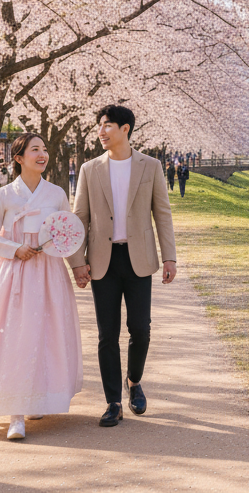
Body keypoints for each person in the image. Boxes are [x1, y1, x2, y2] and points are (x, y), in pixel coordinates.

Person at [0, 133, 82, 441]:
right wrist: (15, 248)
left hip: (48, 274)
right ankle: (15, 414)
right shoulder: (4, 196)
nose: (42, 154)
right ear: (19, 158)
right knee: (14, 336)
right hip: (12, 274)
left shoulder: (56, 194)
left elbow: (67, 234)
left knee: (44, 335)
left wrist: (78, 268)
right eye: (35, 149)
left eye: (44, 149)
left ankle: (37, 398)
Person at [67, 104, 178, 427]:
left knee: (141, 329)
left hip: (139, 258)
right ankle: (113, 401)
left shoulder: (150, 166)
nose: (100, 132)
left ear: (125, 129)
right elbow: (80, 217)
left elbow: (162, 213)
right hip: (103, 260)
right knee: (107, 334)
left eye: (106, 126)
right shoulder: (89, 169)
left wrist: (169, 257)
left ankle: (134, 380)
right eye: (99, 126)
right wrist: (77, 262)